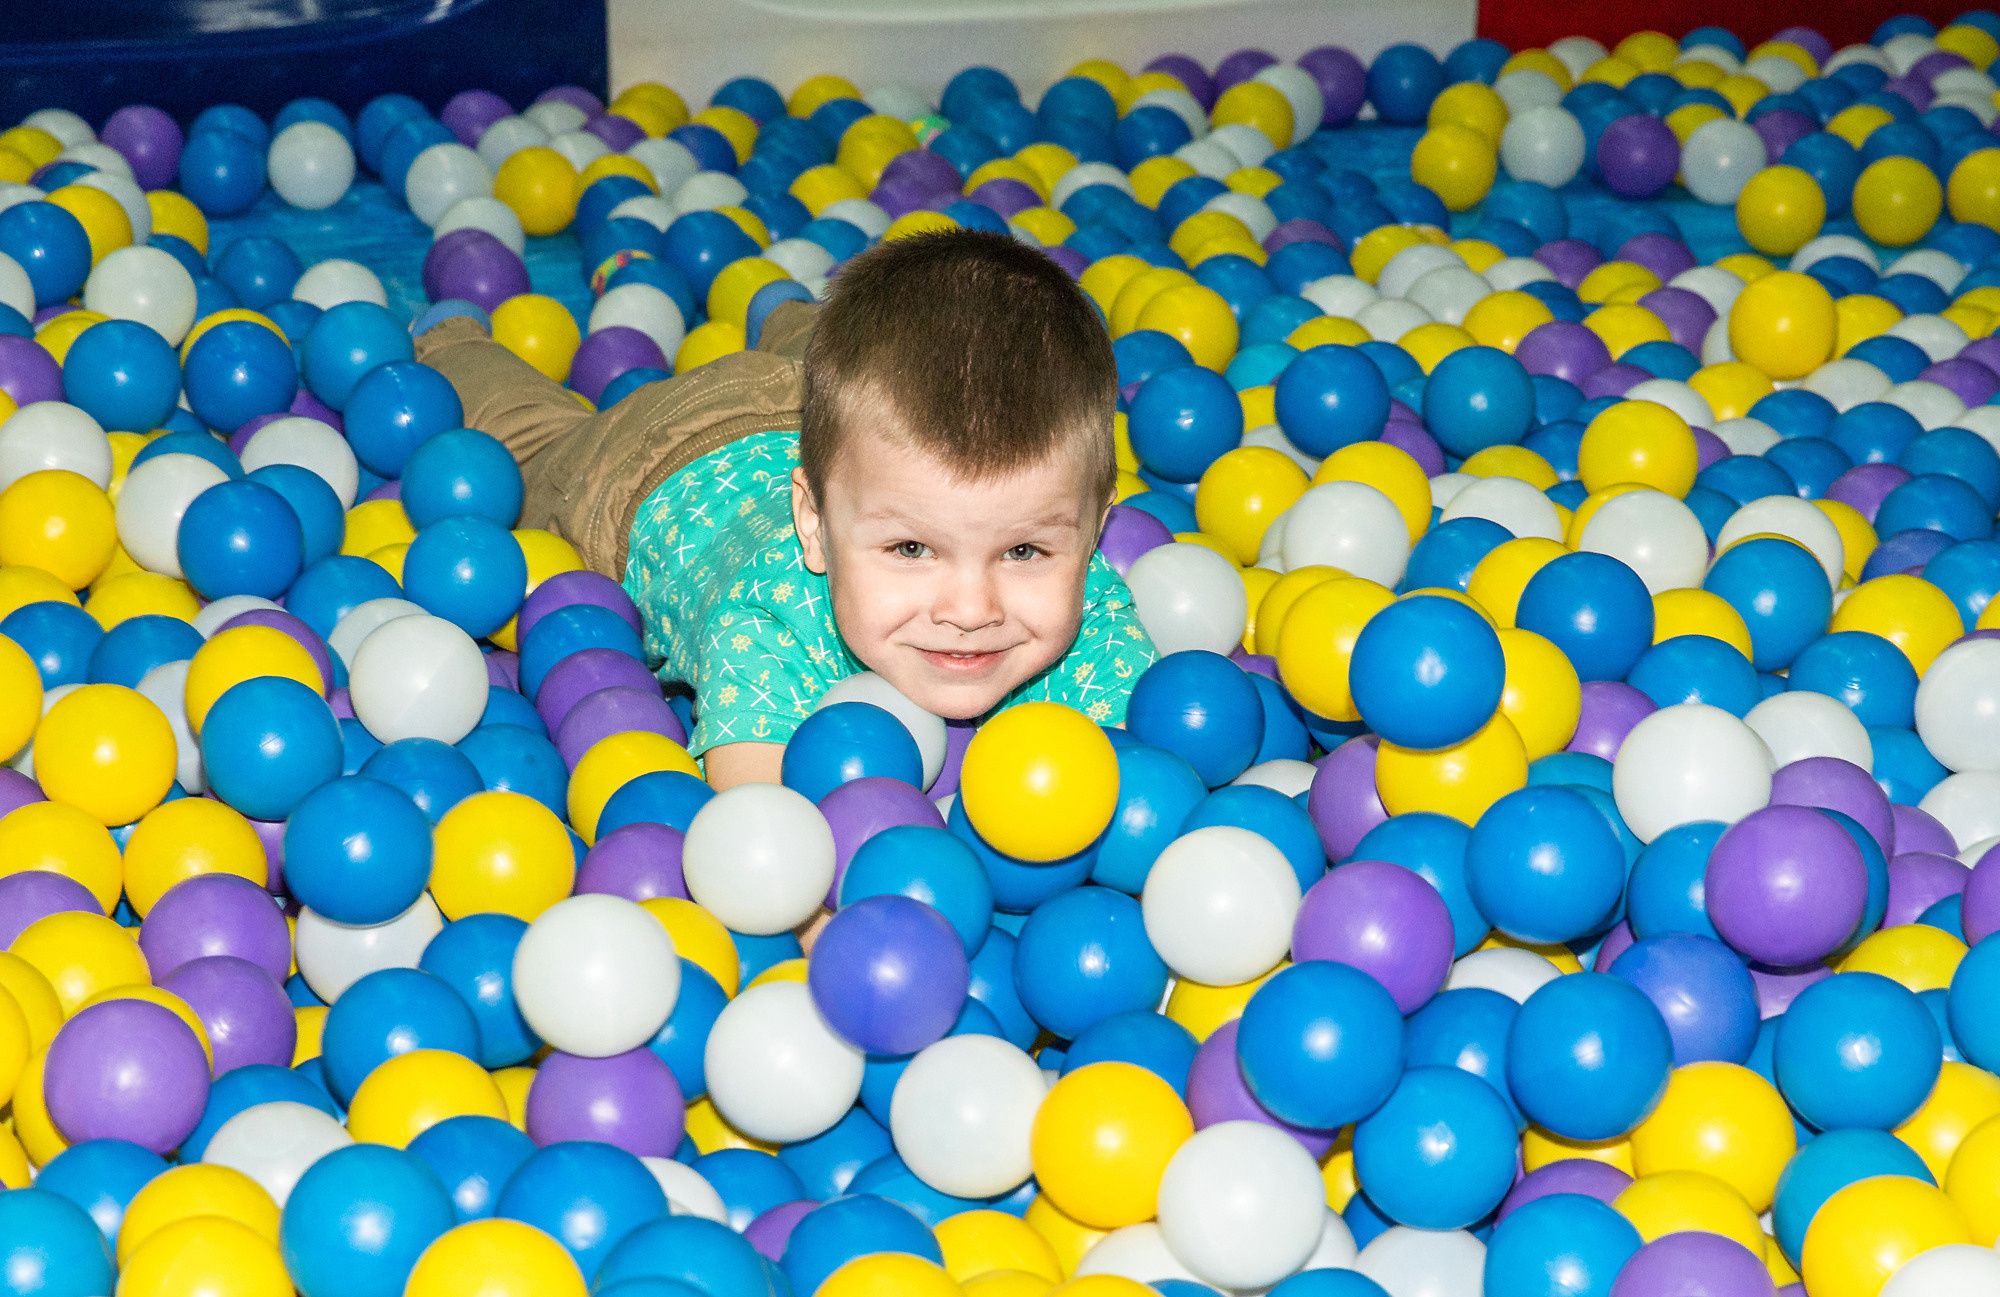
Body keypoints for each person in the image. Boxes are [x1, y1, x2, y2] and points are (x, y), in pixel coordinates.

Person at [416, 228, 1157, 789]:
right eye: (910, 550)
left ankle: (791, 316)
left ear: (1094, 535)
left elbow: (1157, 785)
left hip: (820, 415)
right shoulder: (766, 626)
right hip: (643, 466)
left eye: (1023, 552)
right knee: (530, 434)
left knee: (844, 359)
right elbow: (767, 840)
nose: (970, 608)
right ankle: (450, 345)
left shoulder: (1096, 621)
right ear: (814, 527)